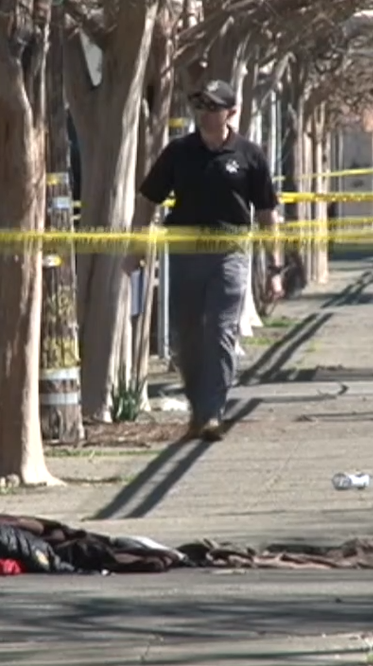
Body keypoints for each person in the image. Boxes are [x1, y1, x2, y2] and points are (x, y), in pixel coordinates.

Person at [137, 79, 283, 442]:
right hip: (185, 252)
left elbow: (267, 214)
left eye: (213, 107)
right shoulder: (178, 152)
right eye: (200, 106)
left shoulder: (249, 155)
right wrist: (136, 246)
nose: (205, 113)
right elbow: (148, 199)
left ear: (231, 113)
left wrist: (275, 268)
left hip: (229, 252)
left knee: (220, 331)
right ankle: (198, 409)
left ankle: (213, 412)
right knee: (186, 337)